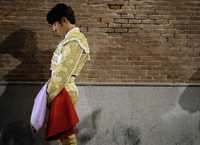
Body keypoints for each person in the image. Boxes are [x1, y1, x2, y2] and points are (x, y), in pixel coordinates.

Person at [46, 3, 90, 145]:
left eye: (54, 24)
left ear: (64, 20)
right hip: (62, 88)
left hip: (63, 89)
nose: (53, 29)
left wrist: (49, 94)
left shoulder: (75, 40)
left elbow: (62, 72)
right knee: (64, 136)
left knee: (66, 136)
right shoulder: (71, 39)